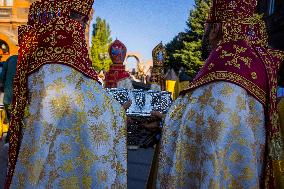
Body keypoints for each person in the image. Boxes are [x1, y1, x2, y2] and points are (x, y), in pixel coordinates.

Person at [155, 0, 284, 188]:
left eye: (206, 27)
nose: (204, 34)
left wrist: (163, 122)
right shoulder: (259, 62)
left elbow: (198, 128)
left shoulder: (224, 65)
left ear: (216, 28)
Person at [5, 0, 127, 188]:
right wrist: (118, 111)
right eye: (82, 21)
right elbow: (95, 108)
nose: (82, 27)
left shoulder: (38, 56)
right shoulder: (60, 62)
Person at [0, 55, 17, 143]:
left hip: (8, 99)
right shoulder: (28, 59)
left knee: (11, 120)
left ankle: (8, 140)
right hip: (21, 99)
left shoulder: (11, 58)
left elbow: (1, 80)